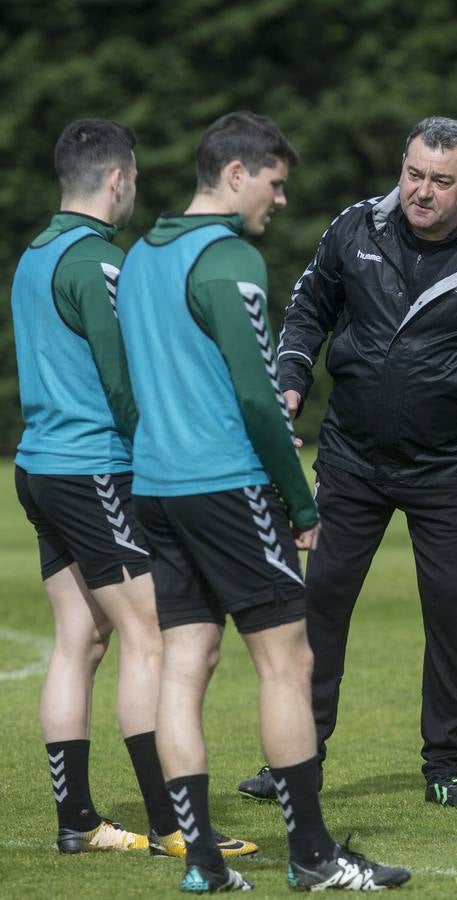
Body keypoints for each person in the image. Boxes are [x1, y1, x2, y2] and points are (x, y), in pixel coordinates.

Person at [117, 110, 411, 893]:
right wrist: (301, 502)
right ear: (238, 173)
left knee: (186, 662)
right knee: (290, 663)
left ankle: (202, 865)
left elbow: (129, 374)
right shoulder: (230, 260)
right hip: (226, 484)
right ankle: (313, 858)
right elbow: (257, 397)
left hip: (156, 487)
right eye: (276, 184)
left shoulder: (141, 255)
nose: (280, 200)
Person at [238, 115, 457, 809]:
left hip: (447, 467)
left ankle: (445, 766)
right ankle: (298, 759)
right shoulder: (354, 229)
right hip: (351, 457)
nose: (422, 191)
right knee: (320, 603)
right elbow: (308, 310)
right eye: (414, 173)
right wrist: (291, 376)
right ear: (401, 167)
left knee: (449, 612)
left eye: (441, 180)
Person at [11, 118, 255, 860]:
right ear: (118, 180)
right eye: (136, 180)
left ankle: (77, 820)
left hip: (38, 465)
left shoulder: (32, 254)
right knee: (153, 636)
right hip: (94, 468)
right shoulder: (98, 261)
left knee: (79, 640)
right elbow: (123, 382)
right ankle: (172, 823)